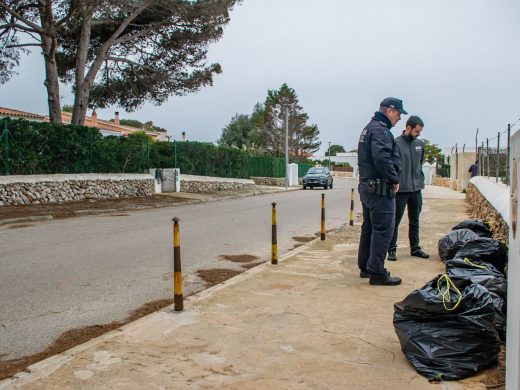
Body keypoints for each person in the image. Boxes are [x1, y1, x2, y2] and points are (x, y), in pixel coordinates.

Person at [357, 97, 405, 286]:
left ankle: (365, 267)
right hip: (379, 190)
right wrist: (394, 179)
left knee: (369, 228)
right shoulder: (380, 130)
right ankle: (377, 272)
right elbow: (382, 159)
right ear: (390, 111)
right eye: (399, 114)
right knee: (383, 230)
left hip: (368, 187)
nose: (399, 118)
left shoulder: (369, 127)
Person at [387, 116, 429, 262]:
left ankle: (415, 247)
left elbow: (420, 162)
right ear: (408, 128)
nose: (419, 134)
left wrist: (419, 180)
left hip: (416, 189)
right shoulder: (396, 143)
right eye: (417, 131)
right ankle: (391, 249)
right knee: (395, 220)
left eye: (420, 131)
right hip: (400, 189)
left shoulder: (420, 144)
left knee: (415, 220)